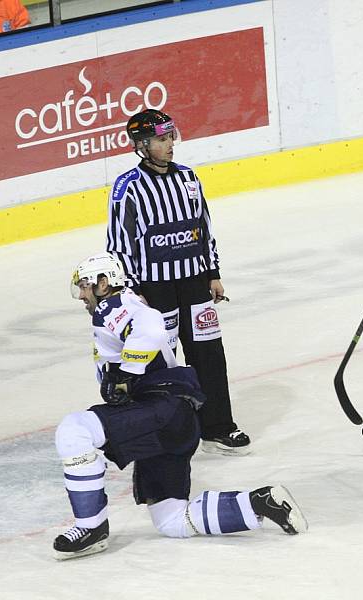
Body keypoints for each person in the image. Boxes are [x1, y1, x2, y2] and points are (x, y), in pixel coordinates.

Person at [53, 253, 307, 560]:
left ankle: (91, 528)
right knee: (172, 520)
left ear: (103, 284)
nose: (81, 295)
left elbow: (153, 328)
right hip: (172, 418)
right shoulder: (119, 308)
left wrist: (124, 374)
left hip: (162, 407)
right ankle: (259, 503)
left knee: (74, 430)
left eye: (84, 286)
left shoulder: (115, 305)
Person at [106, 109, 250, 455]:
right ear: (142, 145)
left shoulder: (188, 178)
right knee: (161, 361)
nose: (169, 144)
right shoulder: (128, 188)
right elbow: (119, 243)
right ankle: (166, 428)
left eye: (170, 137)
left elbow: (204, 228)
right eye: (160, 139)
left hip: (195, 282)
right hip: (154, 290)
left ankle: (218, 425)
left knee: (209, 353)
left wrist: (212, 273)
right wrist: (132, 291)